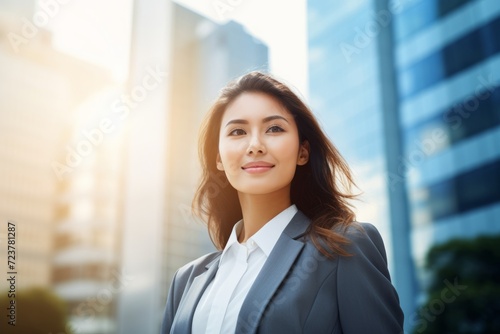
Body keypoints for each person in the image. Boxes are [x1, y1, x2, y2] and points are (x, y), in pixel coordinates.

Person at [161, 71, 404, 334]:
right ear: (218, 158)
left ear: (303, 151)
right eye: (238, 131)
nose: (255, 145)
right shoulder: (186, 280)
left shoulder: (344, 249)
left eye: (274, 128)